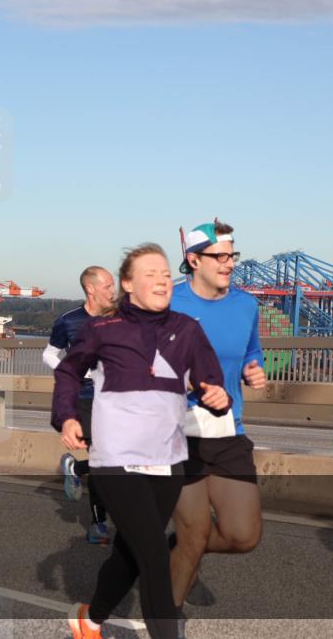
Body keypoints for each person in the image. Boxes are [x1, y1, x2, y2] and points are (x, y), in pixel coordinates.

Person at [55, 244, 231, 639]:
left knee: (131, 554)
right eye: (150, 273)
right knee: (153, 555)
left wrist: (218, 395)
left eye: (166, 273)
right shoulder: (102, 329)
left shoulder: (187, 329)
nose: (162, 279)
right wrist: (66, 415)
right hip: (115, 459)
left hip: (167, 460)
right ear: (128, 284)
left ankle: (89, 618)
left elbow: (210, 379)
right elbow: (68, 373)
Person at [169, 221, 266, 626]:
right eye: (220, 257)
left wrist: (253, 370)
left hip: (228, 431)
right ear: (194, 260)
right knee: (194, 534)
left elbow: (251, 352)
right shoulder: (167, 303)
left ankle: (172, 551)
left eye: (232, 256)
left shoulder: (246, 305)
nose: (229, 264)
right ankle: (165, 618)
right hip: (177, 433)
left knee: (244, 535)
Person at [45, 266, 117, 545]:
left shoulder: (122, 319)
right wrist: (77, 370)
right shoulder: (69, 320)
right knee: (102, 457)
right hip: (86, 399)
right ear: (91, 289)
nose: (113, 291)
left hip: (117, 399)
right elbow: (49, 354)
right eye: (108, 286)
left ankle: (75, 469)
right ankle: (99, 525)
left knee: (110, 460)